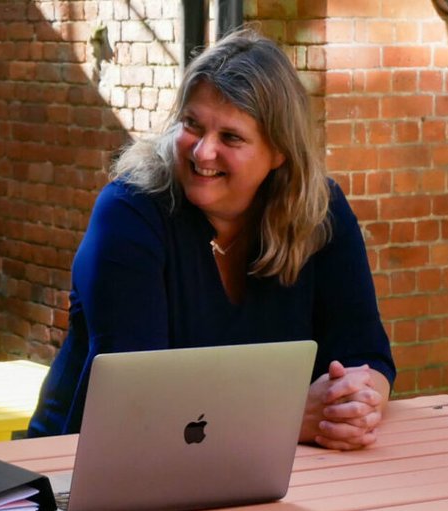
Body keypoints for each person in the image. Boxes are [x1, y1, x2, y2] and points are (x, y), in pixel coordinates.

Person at [27, 29, 396, 451]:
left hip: (268, 468)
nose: (202, 152)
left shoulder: (319, 211)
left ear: (279, 152)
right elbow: (136, 401)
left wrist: (359, 402)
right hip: (79, 470)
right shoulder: (130, 213)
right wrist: (287, 417)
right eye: (192, 125)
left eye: (231, 137)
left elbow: (366, 355)